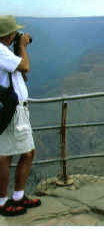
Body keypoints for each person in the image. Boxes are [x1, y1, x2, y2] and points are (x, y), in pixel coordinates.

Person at [0, 15, 41, 217]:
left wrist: (17, 48)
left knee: (23, 153)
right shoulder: (0, 51)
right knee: (8, 156)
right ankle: (4, 201)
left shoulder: (6, 51)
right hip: (13, 112)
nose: (18, 34)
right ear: (7, 35)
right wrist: (23, 46)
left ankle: (17, 196)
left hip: (16, 109)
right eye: (15, 32)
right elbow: (25, 67)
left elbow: (20, 75)